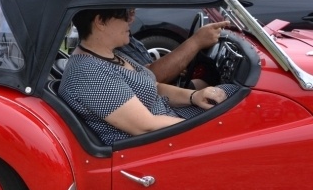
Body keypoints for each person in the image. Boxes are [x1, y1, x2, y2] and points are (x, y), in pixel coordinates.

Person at [59, 8, 238, 145]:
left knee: (231, 94)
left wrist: (194, 97)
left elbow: (155, 86)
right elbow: (145, 126)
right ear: (100, 22)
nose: (130, 20)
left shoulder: (110, 55)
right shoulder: (89, 73)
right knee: (238, 116)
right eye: (124, 15)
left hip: (166, 122)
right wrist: (210, 127)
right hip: (152, 145)